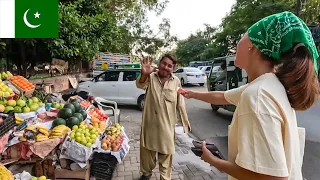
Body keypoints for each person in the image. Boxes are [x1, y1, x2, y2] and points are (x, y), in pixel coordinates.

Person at [181, 11, 319, 180]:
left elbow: (273, 177)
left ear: (251, 45)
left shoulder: (258, 95)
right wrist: (192, 93)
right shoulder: (268, 85)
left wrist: (213, 160)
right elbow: (223, 96)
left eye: (243, 35)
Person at [136, 54, 191, 180]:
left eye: (169, 66)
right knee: (147, 155)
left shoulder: (176, 81)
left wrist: (185, 122)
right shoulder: (150, 77)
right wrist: (144, 73)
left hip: (166, 128)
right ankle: (146, 174)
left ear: (173, 68)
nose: (166, 67)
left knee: (166, 157)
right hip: (149, 126)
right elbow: (140, 85)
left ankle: (164, 178)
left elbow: (180, 103)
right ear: (159, 63)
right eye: (164, 63)